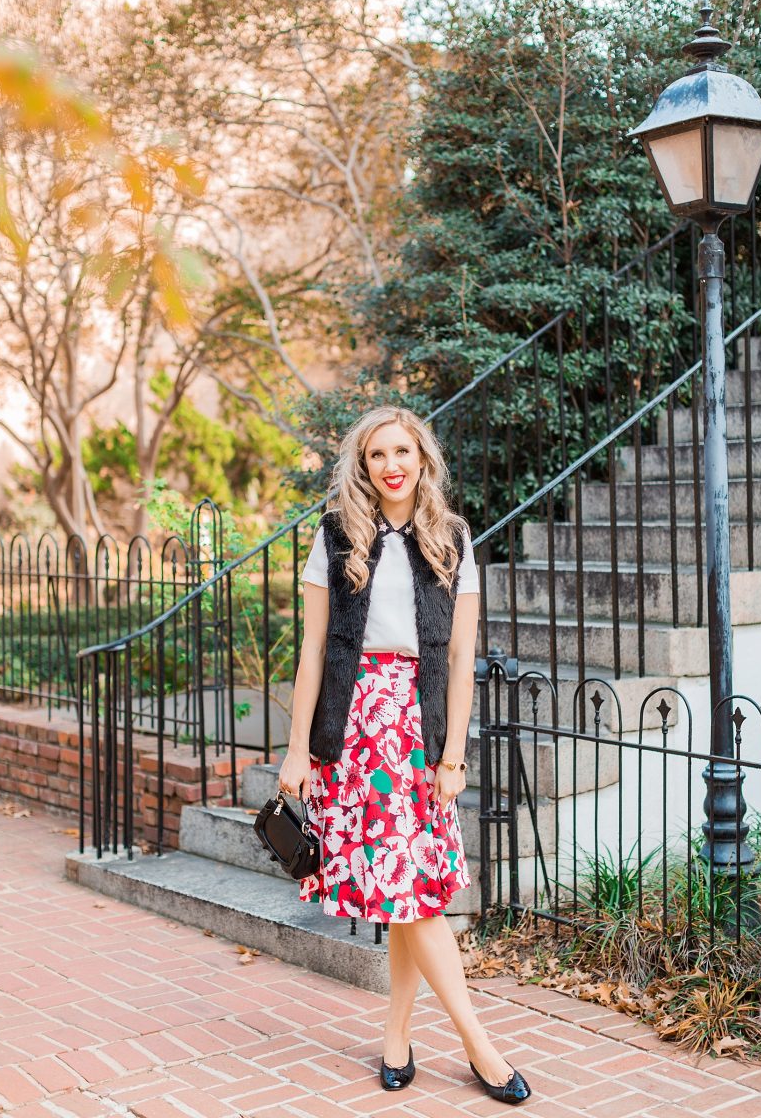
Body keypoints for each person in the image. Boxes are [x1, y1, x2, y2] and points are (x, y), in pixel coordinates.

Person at [277, 404, 531, 1106]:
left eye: (403, 452)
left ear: (424, 460)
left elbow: (458, 654)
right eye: (378, 455)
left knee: (409, 888)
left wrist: (454, 755)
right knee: (407, 889)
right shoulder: (335, 536)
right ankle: (477, 1044)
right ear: (364, 465)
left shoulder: (452, 537)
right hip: (355, 728)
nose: (392, 465)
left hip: (416, 729)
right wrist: (297, 748)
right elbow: (313, 651)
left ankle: (400, 1035)